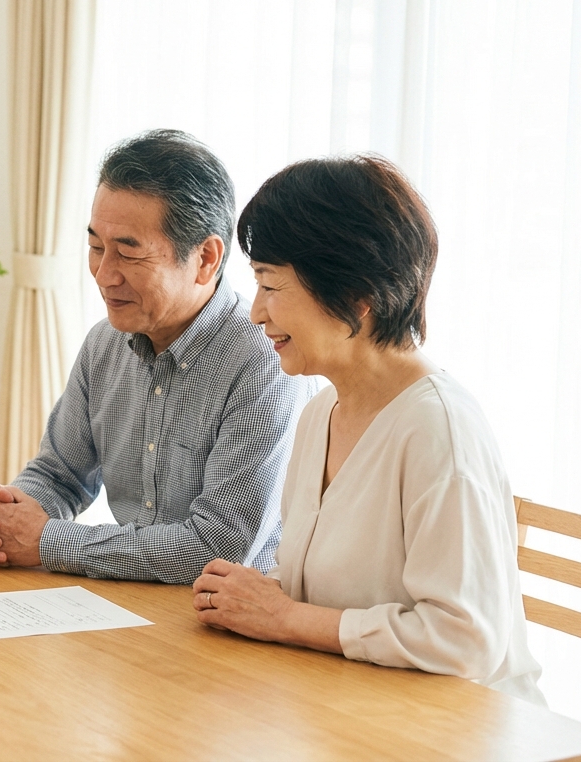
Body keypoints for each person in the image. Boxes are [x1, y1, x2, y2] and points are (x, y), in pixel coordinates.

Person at [191, 155, 544, 703]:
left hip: (457, 729)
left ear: (357, 297)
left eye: (271, 286)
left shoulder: (438, 431)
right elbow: (334, 591)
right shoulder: (320, 413)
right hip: (350, 705)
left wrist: (285, 617)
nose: (256, 312)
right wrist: (257, 596)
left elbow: (466, 642)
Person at [0, 130, 313, 583]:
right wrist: (2, 523)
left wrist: (47, 541)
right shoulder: (104, 345)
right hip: (127, 603)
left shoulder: (264, 361)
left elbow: (218, 546)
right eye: (95, 248)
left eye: (128, 253)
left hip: (229, 624)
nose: (104, 275)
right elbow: (59, 474)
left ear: (205, 257)